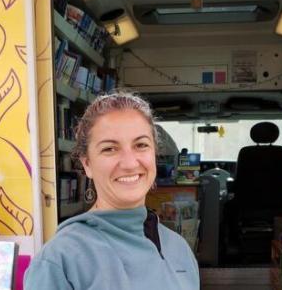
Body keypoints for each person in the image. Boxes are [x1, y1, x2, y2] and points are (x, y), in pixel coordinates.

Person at [24, 92, 199, 290]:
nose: (130, 163)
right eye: (110, 149)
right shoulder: (59, 260)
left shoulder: (179, 249)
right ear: (87, 164)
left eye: (141, 145)